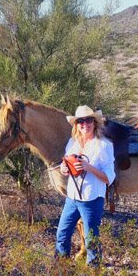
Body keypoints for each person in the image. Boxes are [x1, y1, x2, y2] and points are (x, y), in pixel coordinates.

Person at [56, 105, 115, 266]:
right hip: (72, 198)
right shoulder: (72, 143)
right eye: (80, 121)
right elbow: (68, 165)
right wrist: (64, 169)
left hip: (91, 199)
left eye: (89, 120)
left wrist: (89, 167)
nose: (85, 124)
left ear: (95, 123)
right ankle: (62, 269)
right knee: (62, 234)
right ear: (76, 124)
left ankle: (93, 274)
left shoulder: (104, 145)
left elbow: (109, 177)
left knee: (91, 240)